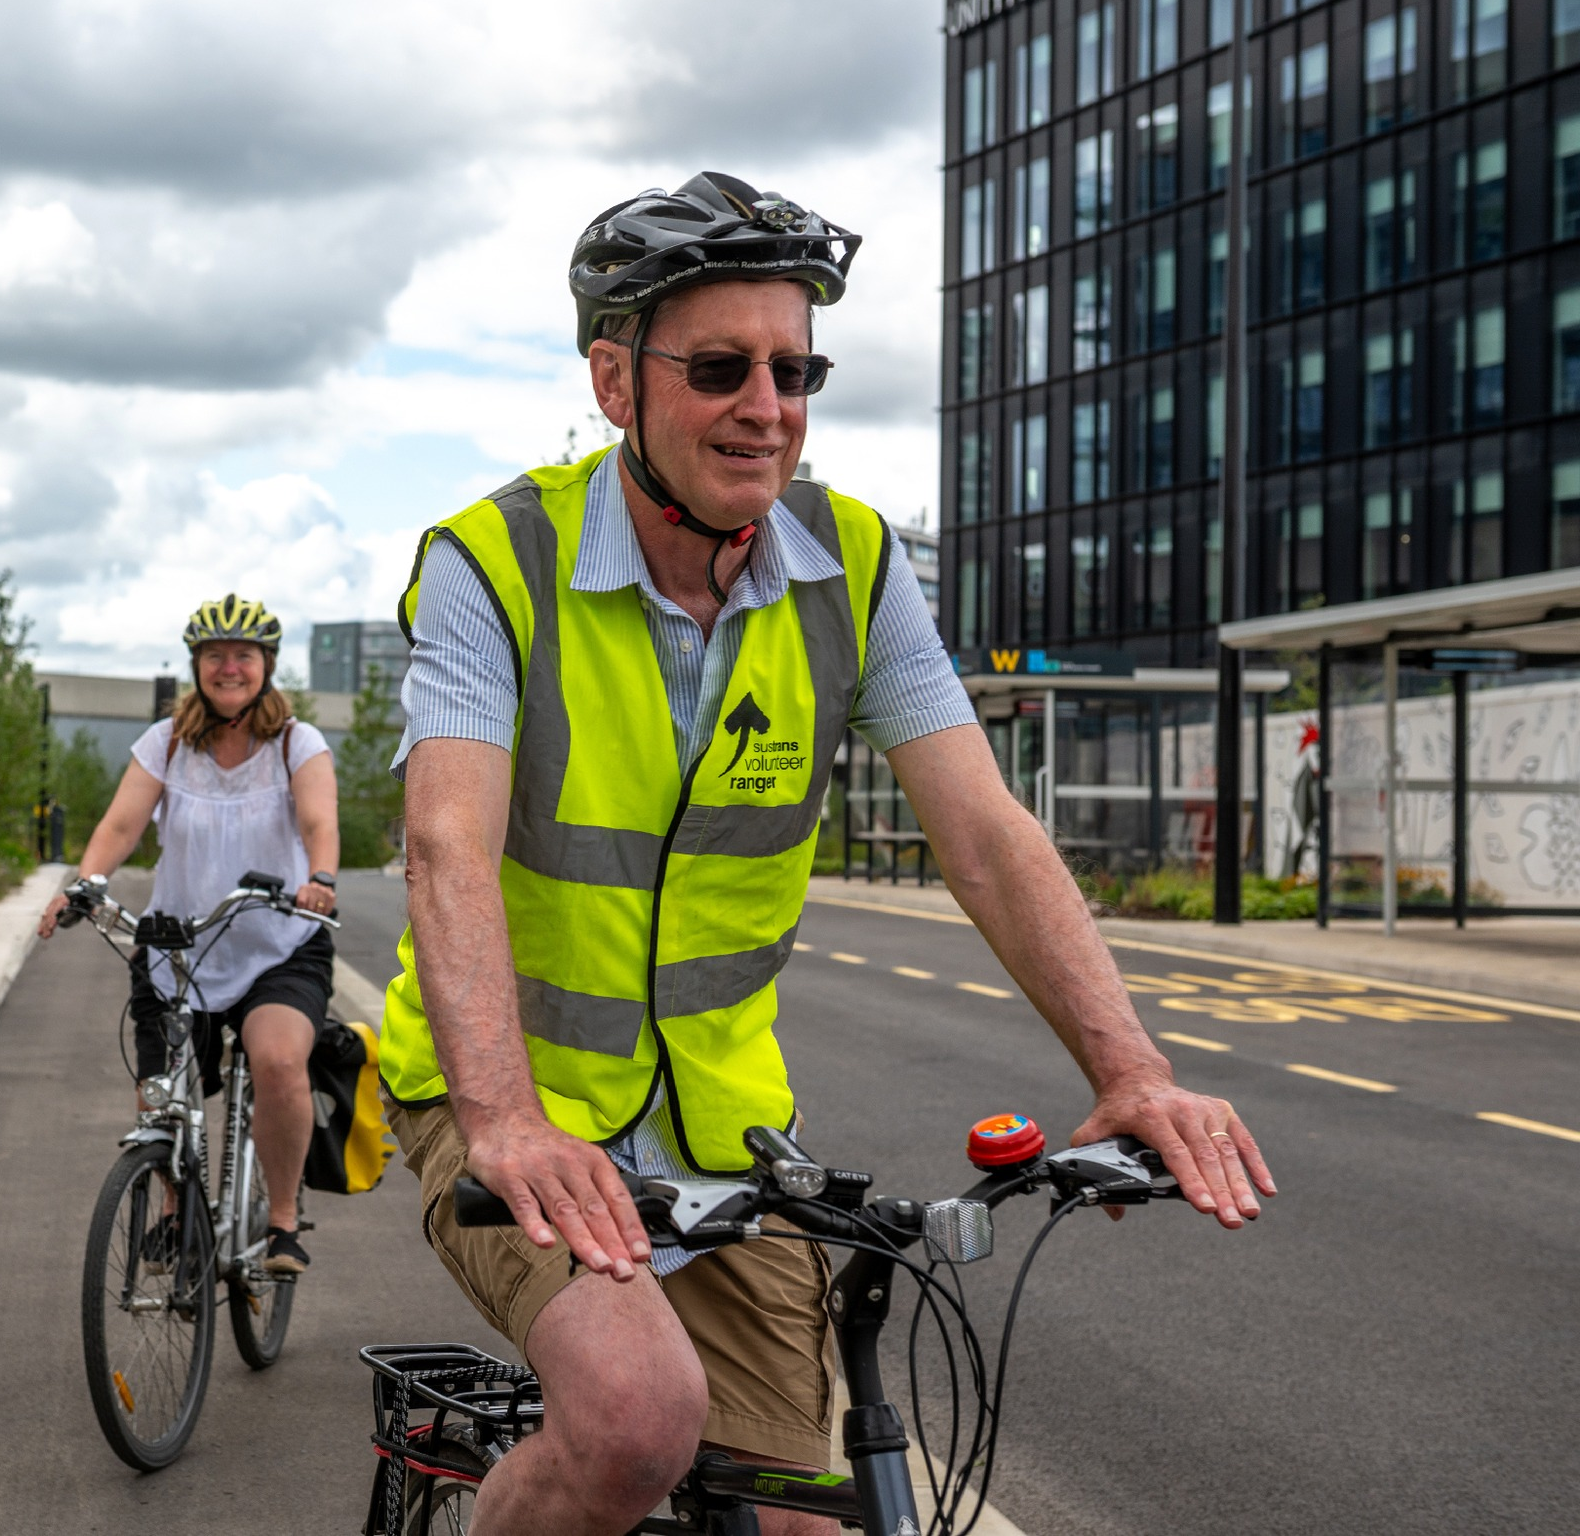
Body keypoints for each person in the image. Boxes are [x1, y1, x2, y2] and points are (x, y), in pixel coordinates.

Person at [379, 173, 1277, 1535]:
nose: (768, 406)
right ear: (615, 382)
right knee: (633, 1422)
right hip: (508, 1106)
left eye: (796, 369)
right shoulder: (497, 562)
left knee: (810, 1514)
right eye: (724, 367)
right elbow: (449, 844)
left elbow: (983, 833)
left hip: (728, 1133)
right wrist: (501, 1118)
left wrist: (1131, 1073)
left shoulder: (851, 568)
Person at [40, 595, 339, 1276]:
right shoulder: (166, 743)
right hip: (181, 945)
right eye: (214, 656)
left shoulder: (297, 743)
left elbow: (320, 820)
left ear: (265, 665)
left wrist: (320, 875)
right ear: (196, 665)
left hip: (279, 944)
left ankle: (283, 1223)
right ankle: (177, 1214)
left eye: (243, 656)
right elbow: (120, 827)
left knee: (279, 1062)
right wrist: (83, 885)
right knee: (165, 1093)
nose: (228, 667)